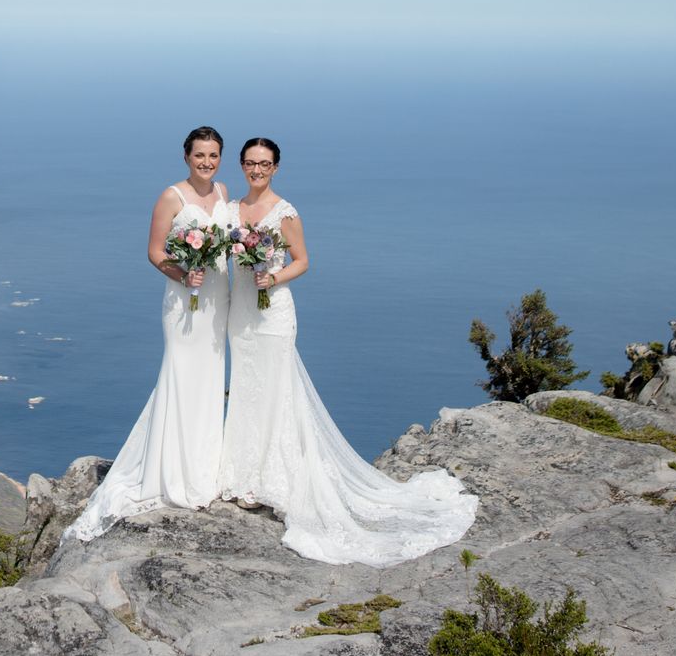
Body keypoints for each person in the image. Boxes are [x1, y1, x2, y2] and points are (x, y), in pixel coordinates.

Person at [218, 137, 477, 567]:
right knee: (247, 387)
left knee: (279, 388)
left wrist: (275, 277)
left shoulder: (286, 213)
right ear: (242, 166)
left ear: (276, 167)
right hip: (241, 311)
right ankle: (242, 475)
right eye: (249, 163)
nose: (256, 170)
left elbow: (303, 260)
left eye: (264, 164)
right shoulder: (232, 212)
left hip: (273, 312)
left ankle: (274, 479)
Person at [67, 126, 236, 540]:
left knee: (211, 380)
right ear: (186, 157)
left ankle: (203, 469)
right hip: (183, 301)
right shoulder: (171, 197)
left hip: (216, 297)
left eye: (213, 156)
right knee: (180, 376)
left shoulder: (223, 193)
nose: (207, 162)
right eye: (200, 155)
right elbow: (155, 252)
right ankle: (173, 474)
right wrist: (182, 273)